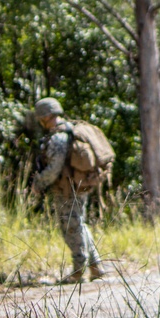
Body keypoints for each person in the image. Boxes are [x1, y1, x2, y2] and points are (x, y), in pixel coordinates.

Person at [29, 97, 108, 283]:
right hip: (79, 185)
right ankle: (96, 266)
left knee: (71, 227)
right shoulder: (70, 130)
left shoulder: (58, 137)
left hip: (68, 189)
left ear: (45, 117)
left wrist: (38, 183)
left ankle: (78, 272)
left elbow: (54, 169)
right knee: (79, 224)